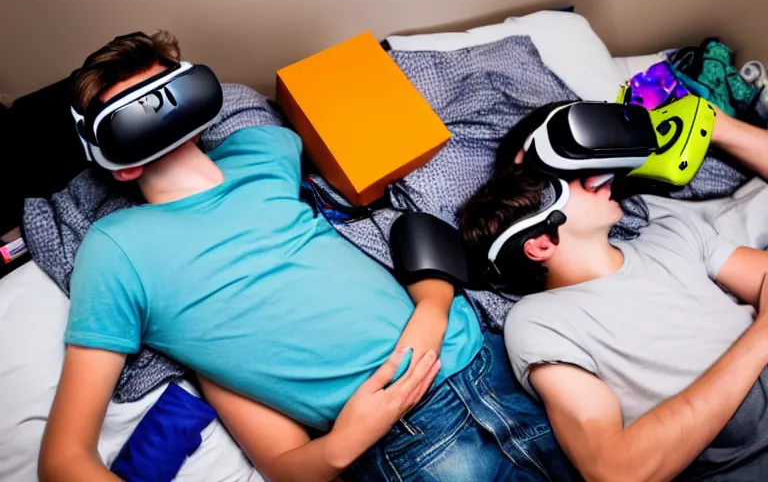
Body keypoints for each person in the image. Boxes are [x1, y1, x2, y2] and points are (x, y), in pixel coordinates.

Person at [38, 32, 577, 482]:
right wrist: (344, 443)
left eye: (169, 90)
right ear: (117, 163)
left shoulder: (265, 148)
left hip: (492, 357)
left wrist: (433, 309)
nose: (162, 112)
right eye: (138, 114)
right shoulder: (114, 249)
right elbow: (64, 460)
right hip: (413, 438)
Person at [460, 101, 768, 481]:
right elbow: (615, 469)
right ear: (540, 243)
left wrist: (714, 123)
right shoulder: (539, 321)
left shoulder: (670, 231)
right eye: (572, 180)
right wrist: (762, 336)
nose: (597, 177)